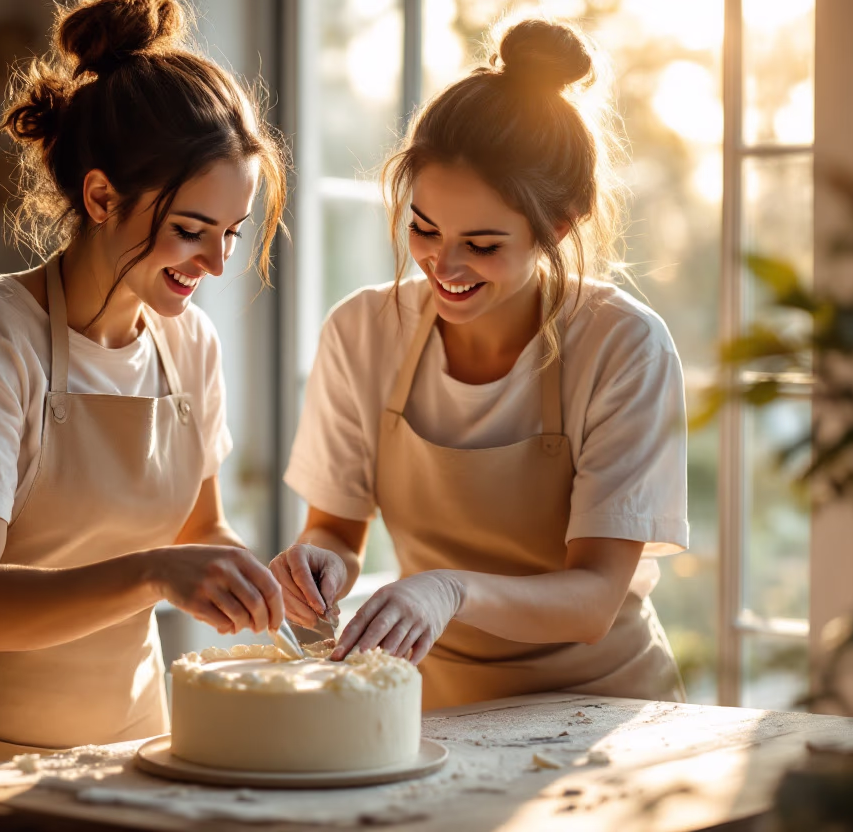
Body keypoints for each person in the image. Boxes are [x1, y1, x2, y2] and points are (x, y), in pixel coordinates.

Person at [0, 0, 288, 781]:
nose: (218, 264)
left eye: (232, 233)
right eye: (191, 230)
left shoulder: (189, 344)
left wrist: (267, 579)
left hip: (130, 751)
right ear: (101, 198)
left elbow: (200, 530)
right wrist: (154, 573)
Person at [271, 18, 688, 711]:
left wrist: (448, 588)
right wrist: (320, 564)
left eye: (483, 244)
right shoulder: (362, 332)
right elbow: (336, 529)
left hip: (600, 705)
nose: (444, 264)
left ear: (560, 224)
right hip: (436, 705)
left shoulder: (624, 345)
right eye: (424, 228)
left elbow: (594, 599)